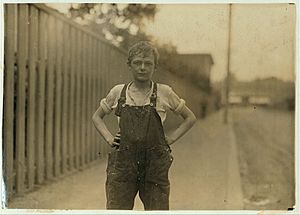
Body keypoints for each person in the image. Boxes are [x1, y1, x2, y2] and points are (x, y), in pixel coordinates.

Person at [92, 41, 196, 210]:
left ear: (155, 67)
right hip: (123, 165)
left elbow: (190, 118)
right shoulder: (119, 92)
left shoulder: (164, 92)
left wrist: (169, 139)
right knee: (118, 209)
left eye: (148, 63)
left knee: (157, 209)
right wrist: (110, 139)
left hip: (154, 165)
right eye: (137, 63)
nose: (142, 67)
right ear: (129, 65)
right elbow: (97, 117)